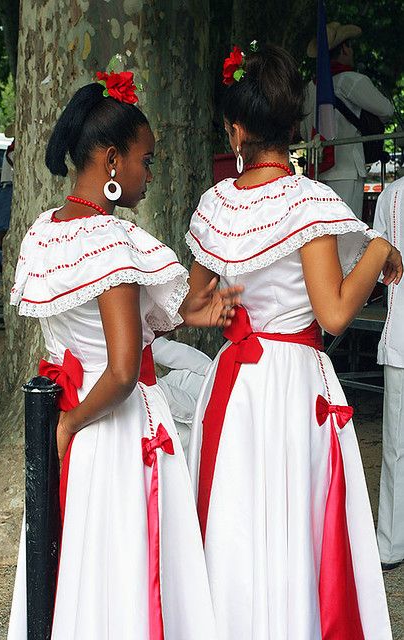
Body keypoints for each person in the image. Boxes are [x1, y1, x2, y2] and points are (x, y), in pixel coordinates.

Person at [7, 70, 243, 639]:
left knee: (81, 565)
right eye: (146, 159)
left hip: (76, 414)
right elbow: (118, 369)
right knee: (126, 569)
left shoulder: (48, 231)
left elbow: (96, 333)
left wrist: (187, 314)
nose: (149, 171)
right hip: (111, 424)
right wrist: (71, 424)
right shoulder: (114, 244)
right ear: (112, 161)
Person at [186, 43, 402, 639]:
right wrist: (380, 247)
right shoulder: (309, 201)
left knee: (234, 519)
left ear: (237, 131)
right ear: (296, 128)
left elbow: (192, 303)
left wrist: (222, 312)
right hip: (293, 382)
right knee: (295, 521)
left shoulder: (216, 203)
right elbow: (333, 313)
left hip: (235, 377)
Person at [301, 21, 394, 218]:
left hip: (317, 172)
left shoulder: (310, 88)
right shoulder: (350, 80)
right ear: (344, 48)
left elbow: (303, 130)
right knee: (348, 235)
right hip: (346, 171)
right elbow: (387, 110)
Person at [373, 176, 404, 571]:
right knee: (396, 444)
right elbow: (378, 258)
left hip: (399, 333)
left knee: (397, 444)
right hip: (400, 332)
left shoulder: (394, 196)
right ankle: (391, 543)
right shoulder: (393, 195)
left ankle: (392, 544)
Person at [153, 336, 212, 456]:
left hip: (174, 389)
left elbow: (164, 349)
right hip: (152, 419)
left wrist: (213, 370)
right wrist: (202, 420)